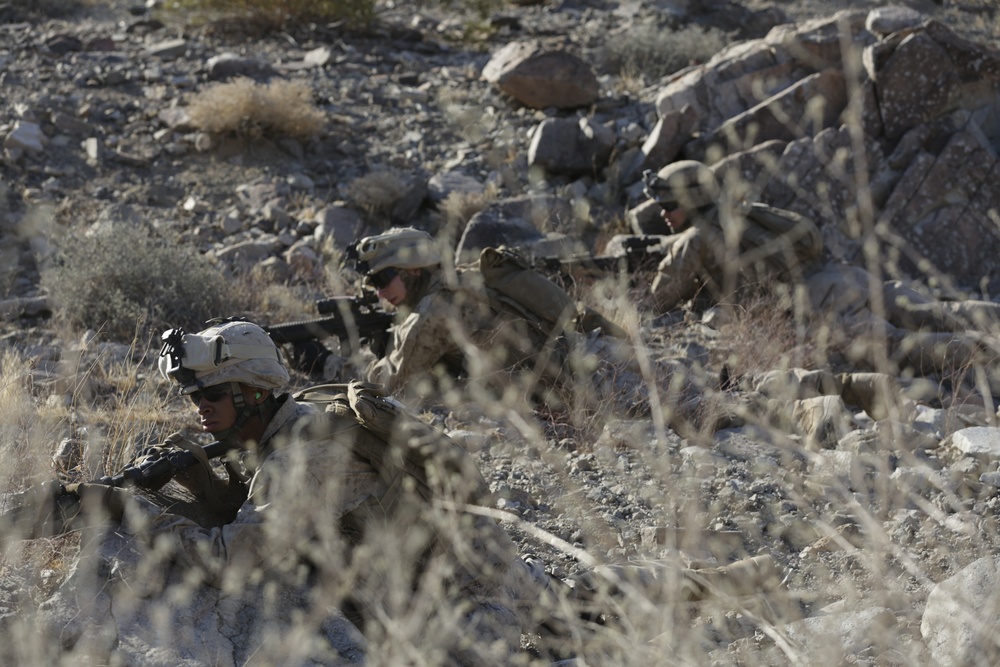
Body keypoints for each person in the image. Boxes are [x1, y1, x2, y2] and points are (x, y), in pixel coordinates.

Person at [64, 318, 528, 664]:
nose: (201, 408)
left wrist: (130, 507)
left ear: (256, 392)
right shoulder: (290, 420)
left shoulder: (301, 458)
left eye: (214, 395)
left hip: (465, 615)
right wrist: (205, 482)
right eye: (194, 397)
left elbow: (226, 563)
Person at [354, 227, 634, 411]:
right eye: (373, 284)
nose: (379, 291)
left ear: (412, 270)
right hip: (598, 353)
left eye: (382, 278)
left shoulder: (433, 311)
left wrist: (355, 361)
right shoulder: (462, 279)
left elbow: (391, 387)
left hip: (587, 385)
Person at [642, 160, 824, 313]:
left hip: (776, 311)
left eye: (669, 206)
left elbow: (657, 302)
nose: (663, 214)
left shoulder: (694, 239)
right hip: (807, 289)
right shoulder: (734, 211)